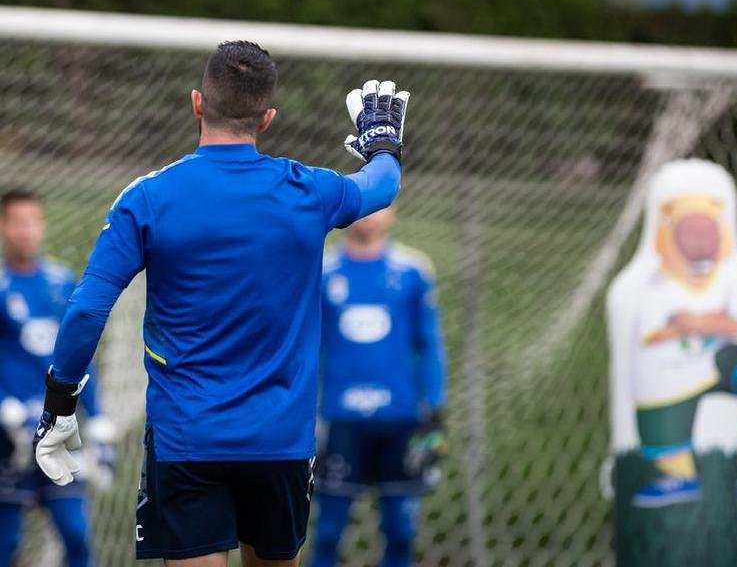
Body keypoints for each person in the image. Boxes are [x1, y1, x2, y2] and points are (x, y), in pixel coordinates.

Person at [33, 40, 410, 566]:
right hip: (280, 441)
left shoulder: (148, 197)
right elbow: (382, 185)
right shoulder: (309, 191)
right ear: (268, 118)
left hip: (187, 439)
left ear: (197, 102)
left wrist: (59, 406)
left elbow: (87, 309)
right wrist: (383, 144)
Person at [0, 189, 116, 567]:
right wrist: (4, 409)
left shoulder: (62, 280)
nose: (25, 231)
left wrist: (98, 419)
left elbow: (80, 357)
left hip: (59, 429)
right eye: (16, 222)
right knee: (5, 543)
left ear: (42, 226)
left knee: (76, 534)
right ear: (0, 226)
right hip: (9, 437)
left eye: (32, 222)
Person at [310, 207, 448, 567]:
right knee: (327, 533)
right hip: (339, 420)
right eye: (364, 205)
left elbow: (429, 344)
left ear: (393, 213)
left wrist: (434, 410)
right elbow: (307, 349)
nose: (370, 215)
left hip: (401, 419)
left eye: (380, 206)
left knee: (401, 532)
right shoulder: (322, 271)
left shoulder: (413, 271)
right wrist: (306, 414)